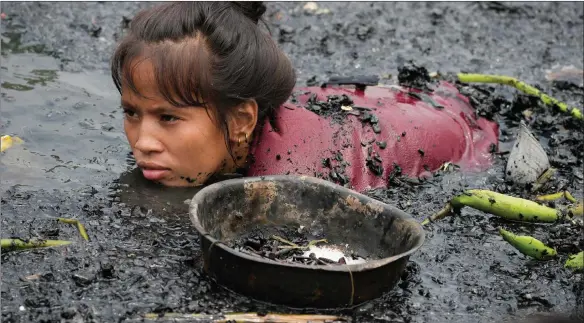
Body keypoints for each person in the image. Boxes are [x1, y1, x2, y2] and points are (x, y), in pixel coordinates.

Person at [111, 1, 499, 193]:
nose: (142, 142)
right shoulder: (230, 121)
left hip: (457, 125)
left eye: (168, 118)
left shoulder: (295, 184)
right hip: (343, 107)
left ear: (244, 120)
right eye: (132, 112)